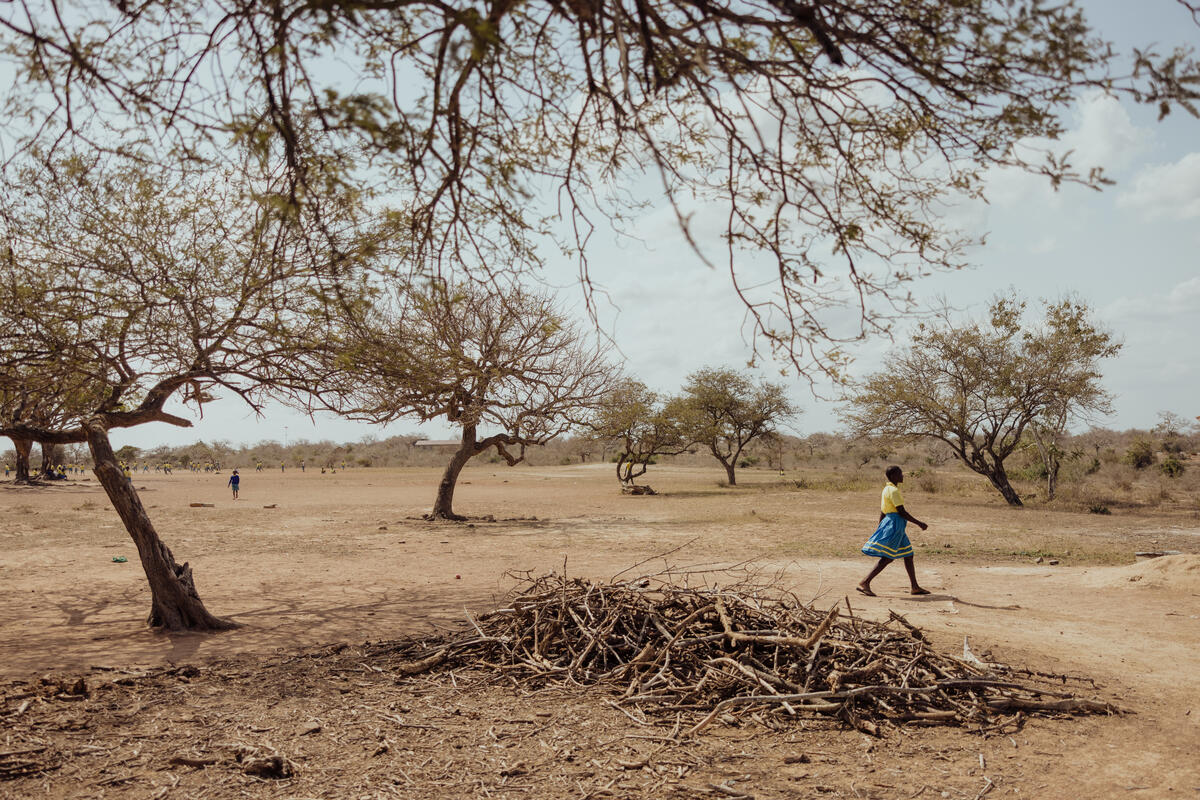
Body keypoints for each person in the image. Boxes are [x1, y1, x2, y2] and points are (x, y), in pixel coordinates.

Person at [857, 465, 930, 597]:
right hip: (895, 525)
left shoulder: (887, 489)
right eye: (900, 474)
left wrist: (880, 525)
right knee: (887, 557)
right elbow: (901, 511)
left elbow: (883, 511)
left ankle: (915, 587)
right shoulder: (893, 491)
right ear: (893, 476)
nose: (902, 476)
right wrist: (920, 523)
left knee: (908, 555)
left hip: (894, 525)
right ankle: (865, 582)